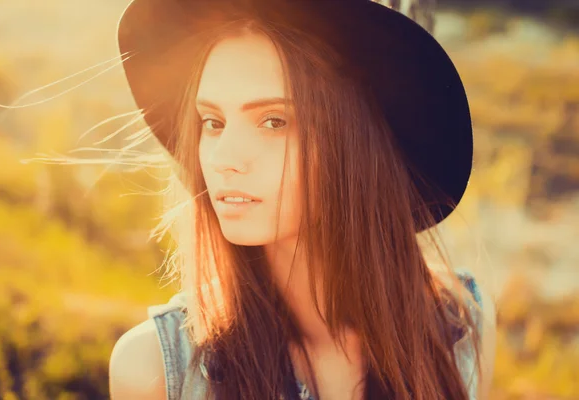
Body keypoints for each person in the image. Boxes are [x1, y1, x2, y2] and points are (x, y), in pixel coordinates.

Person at [108, 0, 496, 399]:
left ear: (355, 143)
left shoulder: (461, 327)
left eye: (274, 121)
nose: (223, 159)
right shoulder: (156, 369)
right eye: (213, 122)